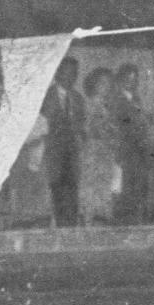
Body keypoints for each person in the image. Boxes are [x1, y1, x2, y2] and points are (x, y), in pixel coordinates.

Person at [41, 57, 85, 227]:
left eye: (74, 74)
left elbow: (81, 125)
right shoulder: (46, 96)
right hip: (53, 152)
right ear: (57, 73)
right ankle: (58, 225)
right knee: (56, 189)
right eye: (66, 72)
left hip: (72, 152)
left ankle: (71, 226)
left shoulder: (78, 98)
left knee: (72, 189)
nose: (70, 77)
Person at [78, 66, 120, 226]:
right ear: (93, 84)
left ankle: (100, 223)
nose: (106, 86)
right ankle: (88, 223)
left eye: (109, 83)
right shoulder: (88, 104)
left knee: (105, 188)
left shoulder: (108, 105)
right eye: (102, 83)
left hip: (106, 153)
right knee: (90, 188)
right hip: (92, 152)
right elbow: (91, 129)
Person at [111, 63, 151, 224]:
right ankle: (121, 223)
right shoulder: (115, 99)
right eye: (128, 79)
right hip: (123, 151)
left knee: (136, 188)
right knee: (122, 189)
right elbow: (121, 125)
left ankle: (133, 221)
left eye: (135, 80)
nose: (132, 83)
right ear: (120, 80)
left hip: (138, 151)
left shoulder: (137, 99)